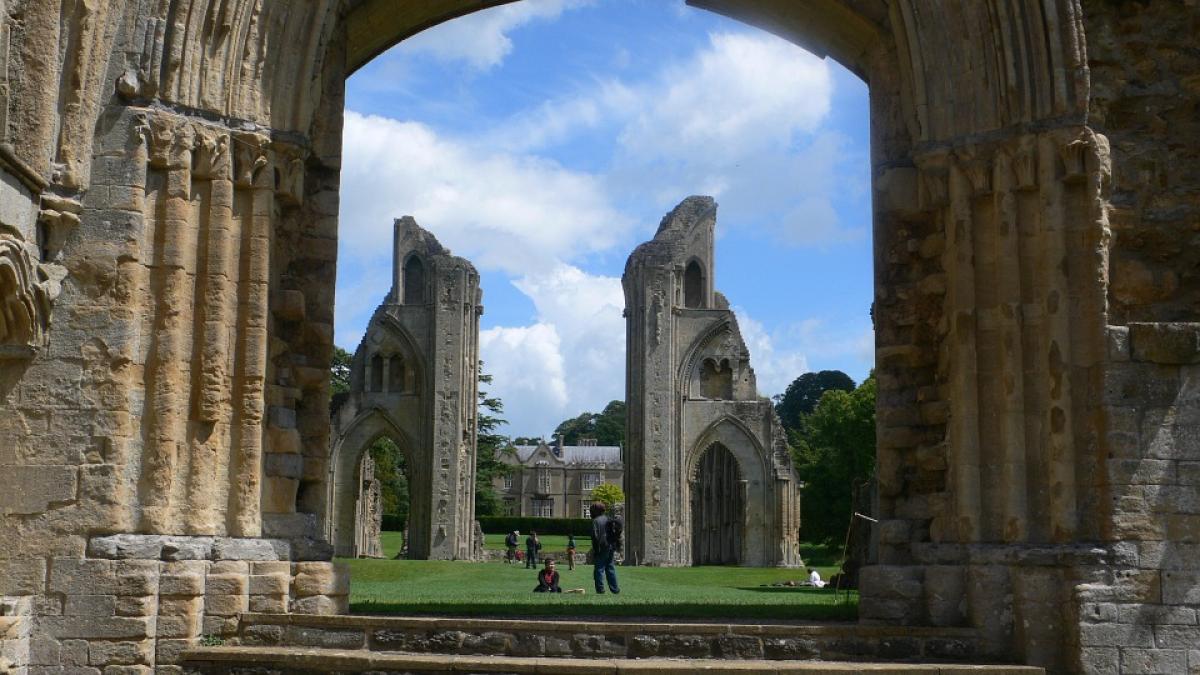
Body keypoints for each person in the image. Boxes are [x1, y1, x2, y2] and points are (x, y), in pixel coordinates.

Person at [589, 501, 620, 594]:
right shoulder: (608, 519)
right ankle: (615, 589)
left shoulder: (596, 521)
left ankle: (600, 589)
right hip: (611, 546)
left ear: (596, 511)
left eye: (592, 510)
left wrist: (595, 549)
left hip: (601, 547)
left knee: (599, 568)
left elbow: (595, 536)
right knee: (610, 568)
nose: (591, 512)